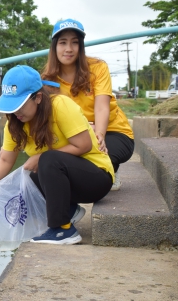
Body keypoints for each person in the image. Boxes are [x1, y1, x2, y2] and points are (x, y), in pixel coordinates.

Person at [0, 65, 114, 245]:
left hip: (96, 178)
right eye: (12, 106)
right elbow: (6, 160)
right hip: (69, 183)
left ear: (38, 97)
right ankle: (69, 211)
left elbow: (83, 145)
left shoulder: (60, 106)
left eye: (20, 105)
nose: (16, 112)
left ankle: (63, 230)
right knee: (24, 182)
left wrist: (40, 157)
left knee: (47, 159)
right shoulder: (14, 124)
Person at [41, 18, 134, 191]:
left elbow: (101, 106)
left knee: (92, 159)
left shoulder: (98, 67)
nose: (69, 49)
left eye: (75, 43)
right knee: (57, 160)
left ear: (81, 46)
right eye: (63, 43)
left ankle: (111, 168)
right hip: (78, 133)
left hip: (112, 131)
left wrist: (98, 134)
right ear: (54, 47)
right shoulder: (47, 80)